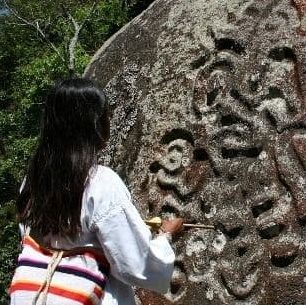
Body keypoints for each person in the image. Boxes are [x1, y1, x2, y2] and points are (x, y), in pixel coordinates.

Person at [10, 78, 183, 304]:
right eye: (106, 116)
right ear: (92, 124)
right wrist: (165, 236)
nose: (108, 122)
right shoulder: (101, 182)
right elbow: (135, 264)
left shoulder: (33, 180)